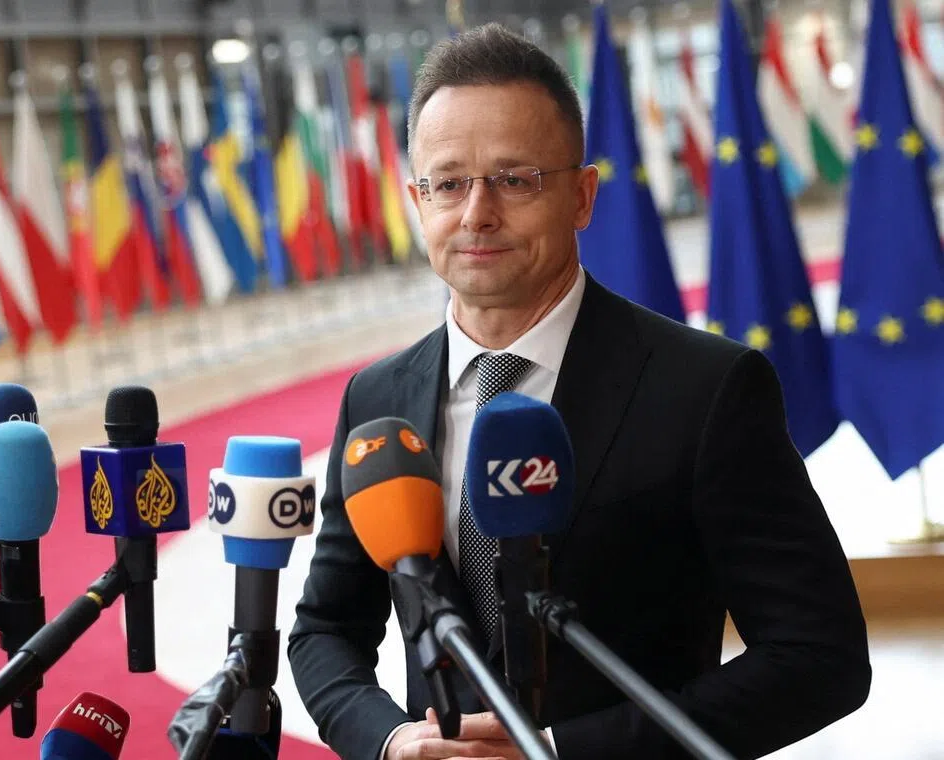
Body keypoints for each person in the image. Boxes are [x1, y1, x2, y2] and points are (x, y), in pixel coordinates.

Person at [288, 22, 870, 760]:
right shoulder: (376, 399)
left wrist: (567, 750)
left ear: (583, 196)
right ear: (417, 199)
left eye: (515, 179)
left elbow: (819, 655)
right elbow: (326, 630)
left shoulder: (707, 389)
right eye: (449, 183)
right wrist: (392, 740)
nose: (477, 213)